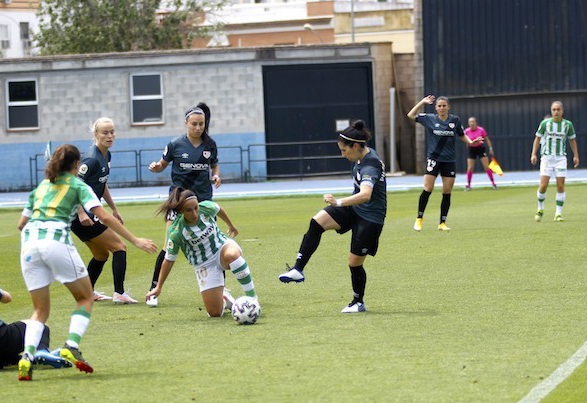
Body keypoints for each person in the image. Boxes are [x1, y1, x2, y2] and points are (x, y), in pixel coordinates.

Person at [17, 144, 157, 381]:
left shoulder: (40, 187)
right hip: (55, 242)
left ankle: (27, 357)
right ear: (75, 165)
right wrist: (134, 240)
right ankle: (71, 345)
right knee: (84, 297)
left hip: (28, 245)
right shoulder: (78, 186)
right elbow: (102, 216)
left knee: (39, 310)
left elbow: (21, 224)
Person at [278, 120, 386, 314]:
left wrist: (337, 202)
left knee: (354, 263)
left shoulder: (370, 165)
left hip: (371, 218)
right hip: (356, 209)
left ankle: (358, 302)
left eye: (344, 150)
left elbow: (365, 195)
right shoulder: (362, 156)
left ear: (355, 146)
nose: (342, 155)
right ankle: (298, 270)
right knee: (317, 221)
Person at [147, 102, 221, 307]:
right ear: (186, 123)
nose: (198, 128)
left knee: (214, 247)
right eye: (194, 124)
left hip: (203, 202)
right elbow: (162, 164)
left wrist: (215, 176)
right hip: (178, 202)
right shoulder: (174, 144)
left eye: (201, 124)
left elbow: (214, 165)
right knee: (168, 245)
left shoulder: (210, 144)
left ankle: (221, 289)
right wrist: (156, 167)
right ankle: (154, 289)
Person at [144, 188, 257, 318]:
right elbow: (168, 260)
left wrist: (231, 226)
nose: (194, 213)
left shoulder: (206, 207)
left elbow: (219, 209)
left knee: (232, 256)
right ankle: (224, 299)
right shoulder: (176, 232)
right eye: (189, 210)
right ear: (181, 211)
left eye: (196, 208)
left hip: (221, 248)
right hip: (204, 265)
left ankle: (253, 299)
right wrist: (159, 287)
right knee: (215, 313)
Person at [71, 117, 138, 304]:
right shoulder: (91, 158)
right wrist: (81, 212)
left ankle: (88, 292)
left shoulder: (106, 155)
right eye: (105, 132)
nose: (110, 136)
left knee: (101, 255)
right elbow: (73, 185)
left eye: (112, 132)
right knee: (120, 247)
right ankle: (120, 293)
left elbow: (102, 183)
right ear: (96, 135)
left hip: (87, 214)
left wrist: (114, 208)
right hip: (82, 217)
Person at [0, 277, 71, 374]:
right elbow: (7, 298)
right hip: (0, 338)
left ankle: (17, 360)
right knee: (39, 325)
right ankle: (41, 351)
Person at [407, 95, 475, 231]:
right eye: (439, 106)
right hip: (433, 159)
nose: (442, 108)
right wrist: (422, 102)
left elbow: (461, 135)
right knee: (428, 188)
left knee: (447, 191)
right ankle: (419, 219)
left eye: (444, 105)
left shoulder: (455, 120)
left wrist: (471, 142)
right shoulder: (429, 119)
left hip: (449, 160)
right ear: (436, 108)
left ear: (448, 107)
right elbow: (410, 115)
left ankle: (442, 223)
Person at [530, 101, 580, 222]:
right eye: (554, 109)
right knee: (543, 185)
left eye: (558, 109)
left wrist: (576, 155)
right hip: (547, 158)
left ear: (562, 111)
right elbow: (537, 138)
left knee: (560, 185)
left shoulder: (568, 125)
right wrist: (533, 154)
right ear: (551, 111)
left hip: (560, 158)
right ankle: (540, 208)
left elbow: (572, 140)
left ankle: (558, 213)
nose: (556, 112)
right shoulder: (545, 124)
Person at [463, 117, 497, 191]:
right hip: (471, 149)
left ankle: (493, 184)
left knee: (486, 166)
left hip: (480, 148)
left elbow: (487, 140)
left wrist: (490, 149)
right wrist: (469, 147)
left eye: (473, 122)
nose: (471, 123)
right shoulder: (466, 131)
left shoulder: (481, 130)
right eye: (470, 122)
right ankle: (468, 185)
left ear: (476, 122)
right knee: (470, 167)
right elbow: (466, 141)